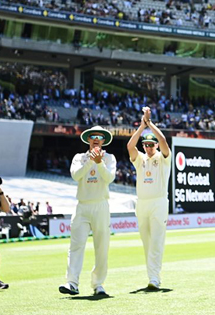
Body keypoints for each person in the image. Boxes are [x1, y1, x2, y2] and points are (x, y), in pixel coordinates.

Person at [59, 126, 117, 296]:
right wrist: (91, 161)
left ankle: (98, 284)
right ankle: (72, 283)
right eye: (93, 136)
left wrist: (99, 162)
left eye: (100, 136)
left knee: (102, 246)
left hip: (101, 204)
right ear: (89, 140)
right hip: (82, 205)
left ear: (104, 140)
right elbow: (76, 175)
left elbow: (109, 178)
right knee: (76, 245)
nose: (96, 139)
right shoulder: (80, 157)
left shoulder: (109, 158)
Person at [127, 107, 171, 290]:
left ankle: (155, 278)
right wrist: (141, 127)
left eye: (151, 145)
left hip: (159, 203)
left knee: (156, 241)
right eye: (146, 145)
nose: (149, 147)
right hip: (142, 204)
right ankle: (152, 276)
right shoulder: (140, 159)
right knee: (146, 242)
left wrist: (150, 124)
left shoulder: (163, 158)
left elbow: (163, 141)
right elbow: (130, 146)